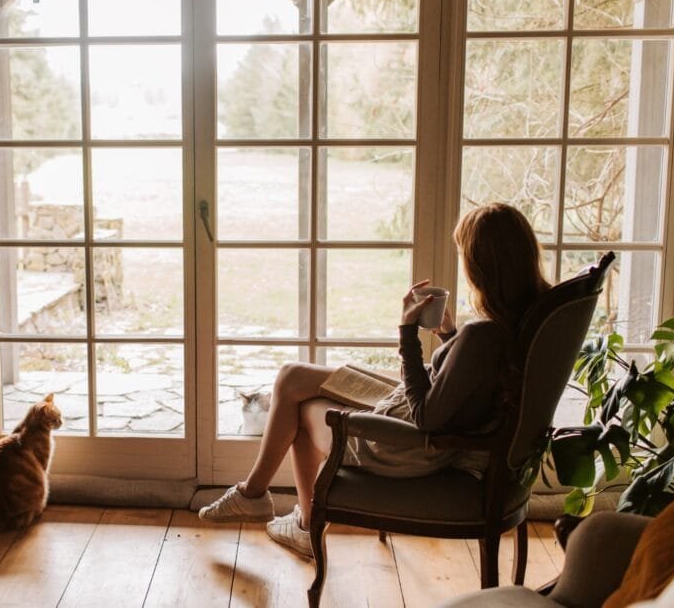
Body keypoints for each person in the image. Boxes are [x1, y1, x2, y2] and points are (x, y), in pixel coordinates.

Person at [197, 203, 551, 557]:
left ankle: (293, 518)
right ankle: (255, 495)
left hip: (402, 443)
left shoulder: (483, 334)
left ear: (481, 265)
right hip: (414, 412)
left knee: (301, 410)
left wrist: (407, 332)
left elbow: (426, 417)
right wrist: (449, 336)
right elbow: (473, 382)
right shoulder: (527, 320)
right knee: (293, 376)